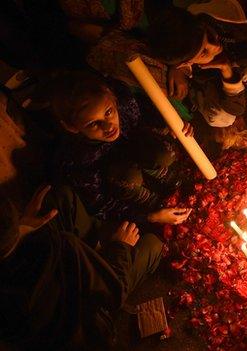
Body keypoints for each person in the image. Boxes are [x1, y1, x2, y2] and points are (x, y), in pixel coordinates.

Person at [0, 185, 163, 349]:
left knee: (59, 197)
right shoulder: (58, 247)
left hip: (60, 297)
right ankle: (103, 248)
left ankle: (98, 244)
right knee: (153, 245)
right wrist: (121, 246)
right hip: (88, 322)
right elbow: (113, 291)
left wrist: (22, 228)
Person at [51, 71, 192, 227]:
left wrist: (171, 127)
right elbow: (100, 206)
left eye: (108, 112)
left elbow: (148, 118)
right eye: (93, 124)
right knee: (128, 177)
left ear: (113, 98)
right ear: (72, 127)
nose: (108, 126)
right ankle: (155, 203)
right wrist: (151, 217)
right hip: (122, 181)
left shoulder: (124, 103)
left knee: (162, 153)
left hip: (139, 151)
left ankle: (173, 180)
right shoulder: (78, 158)